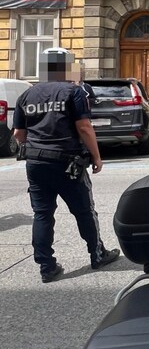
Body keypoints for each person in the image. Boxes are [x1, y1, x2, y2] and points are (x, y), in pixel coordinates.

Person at [12, 48, 119, 283]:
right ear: (65, 67)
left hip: (36, 163)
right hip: (67, 161)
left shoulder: (26, 96)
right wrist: (97, 157)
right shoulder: (73, 91)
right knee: (84, 210)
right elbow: (84, 127)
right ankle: (97, 253)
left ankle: (46, 266)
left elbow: (19, 134)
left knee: (42, 214)